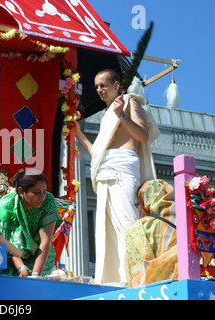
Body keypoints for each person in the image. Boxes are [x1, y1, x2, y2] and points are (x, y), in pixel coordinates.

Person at [74, 69, 159, 285]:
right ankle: (114, 280)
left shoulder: (130, 102)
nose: (99, 90)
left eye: (103, 85)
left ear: (116, 85)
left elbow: (143, 136)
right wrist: (76, 131)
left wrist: (122, 115)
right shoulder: (105, 117)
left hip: (123, 171)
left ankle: (139, 278)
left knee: (128, 225)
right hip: (104, 172)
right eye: (96, 87)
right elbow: (96, 152)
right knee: (105, 231)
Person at [0, 169, 62, 277]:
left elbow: (45, 241)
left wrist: (36, 275)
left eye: (44, 191)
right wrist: (21, 267)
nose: (42, 197)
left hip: (39, 256)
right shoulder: (5, 206)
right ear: (21, 191)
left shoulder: (48, 201)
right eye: (36, 193)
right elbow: (5, 245)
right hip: (9, 258)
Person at [125, 179, 178, 287]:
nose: (139, 209)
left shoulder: (142, 226)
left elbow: (138, 268)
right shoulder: (187, 223)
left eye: (137, 204)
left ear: (146, 202)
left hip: (158, 290)